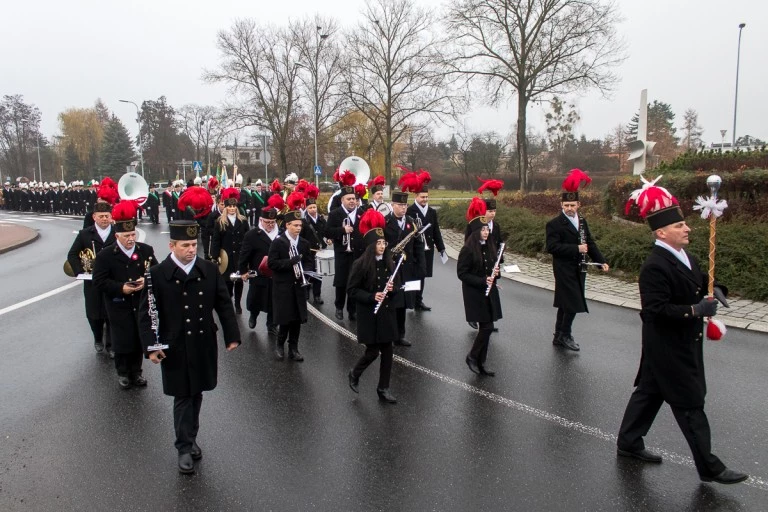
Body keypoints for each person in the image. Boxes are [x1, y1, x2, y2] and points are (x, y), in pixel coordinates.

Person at [616, 180, 747, 485]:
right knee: (690, 404)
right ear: (661, 232)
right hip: (668, 346)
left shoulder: (688, 258)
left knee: (649, 393)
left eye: (685, 223)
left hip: (681, 343)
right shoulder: (654, 267)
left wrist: (716, 289)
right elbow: (654, 311)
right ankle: (710, 467)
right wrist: (695, 310)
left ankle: (628, 442)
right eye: (679, 225)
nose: (687, 228)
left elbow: (700, 283)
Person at [139, 220, 240, 475]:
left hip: (203, 341)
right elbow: (147, 314)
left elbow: (224, 304)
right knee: (183, 396)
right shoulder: (157, 274)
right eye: (185, 245)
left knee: (197, 393)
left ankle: (191, 438)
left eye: (194, 244)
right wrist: (151, 346)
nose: (191, 249)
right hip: (175, 345)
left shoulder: (208, 269)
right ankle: (184, 447)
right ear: (172, 245)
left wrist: (232, 335)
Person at [92, 202, 157, 389]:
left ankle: (137, 372)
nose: (130, 239)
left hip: (140, 301)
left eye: (132, 235)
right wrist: (121, 288)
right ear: (117, 236)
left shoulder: (145, 250)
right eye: (126, 236)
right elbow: (99, 281)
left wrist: (147, 280)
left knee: (138, 337)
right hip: (118, 303)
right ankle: (123, 372)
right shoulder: (106, 255)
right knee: (122, 339)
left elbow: (156, 270)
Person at [545, 169, 609, 351]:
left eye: (572, 205)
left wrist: (600, 261)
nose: (569, 209)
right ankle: (566, 334)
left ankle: (558, 335)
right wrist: (576, 248)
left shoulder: (582, 221)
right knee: (572, 302)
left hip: (579, 268)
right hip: (564, 268)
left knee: (566, 303)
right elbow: (552, 247)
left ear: (578, 204)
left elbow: (590, 243)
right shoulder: (554, 224)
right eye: (566, 205)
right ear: (561, 205)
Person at [347, 209, 399, 403]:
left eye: (384, 242)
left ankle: (383, 388)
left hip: (386, 314)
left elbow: (397, 288)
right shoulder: (360, 264)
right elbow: (352, 291)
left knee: (387, 351)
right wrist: (371, 296)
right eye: (378, 243)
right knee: (372, 351)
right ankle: (354, 373)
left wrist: (393, 289)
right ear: (370, 245)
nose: (382, 246)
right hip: (369, 314)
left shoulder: (390, 262)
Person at [458, 198, 502, 376]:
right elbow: (462, 273)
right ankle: (472, 356)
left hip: (489, 291)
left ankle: (481, 363)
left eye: (486, 229)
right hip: (475, 293)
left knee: (488, 326)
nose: (486, 232)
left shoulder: (490, 246)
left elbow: (491, 268)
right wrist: (483, 280)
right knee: (486, 327)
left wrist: (496, 272)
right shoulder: (468, 250)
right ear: (475, 232)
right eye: (482, 230)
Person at [67, 202, 116, 356]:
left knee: (111, 313)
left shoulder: (116, 232)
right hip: (92, 281)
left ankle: (111, 344)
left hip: (112, 280)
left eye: (107, 216)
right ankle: (97, 338)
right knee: (94, 314)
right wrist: (80, 271)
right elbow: (72, 254)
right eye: (100, 216)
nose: (104, 219)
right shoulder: (85, 234)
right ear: (94, 217)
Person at [267, 201, 313, 361]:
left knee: (297, 319)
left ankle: (294, 348)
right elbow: (272, 264)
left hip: (299, 285)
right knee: (285, 318)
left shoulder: (304, 243)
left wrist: (305, 272)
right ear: (287, 225)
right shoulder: (278, 242)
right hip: (283, 286)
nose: (298, 228)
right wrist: (290, 262)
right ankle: (280, 345)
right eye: (295, 225)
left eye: (300, 225)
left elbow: (308, 261)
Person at [383, 190, 425, 347]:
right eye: (400, 205)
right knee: (392, 303)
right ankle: (390, 334)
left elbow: (419, 245)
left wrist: (421, 268)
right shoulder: (385, 222)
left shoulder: (411, 222)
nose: (403, 208)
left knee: (403, 303)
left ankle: (400, 335)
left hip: (407, 268)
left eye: (405, 205)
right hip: (391, 266)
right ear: (392, 205)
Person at [239, 206, 279, 335]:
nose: (270, 225)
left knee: (274, 299)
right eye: (267, 222)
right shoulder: (252, 235)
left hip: (276, 273)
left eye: (272, 222)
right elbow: (244, 255)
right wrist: (243, 271)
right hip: (258, 273)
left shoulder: (280, 234)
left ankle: (271, 324)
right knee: (256, 298)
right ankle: (253, 315)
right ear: (261, 220)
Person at [325, 184, 363, 321]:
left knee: (355, 282)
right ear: (342, 200)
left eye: (353, 198)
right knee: (341, 282)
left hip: (357, 253)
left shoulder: (361, 213)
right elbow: (327, 231)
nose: (352, 201)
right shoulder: (335, 214)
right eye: (349, 199)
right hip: (342, 252)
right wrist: (342, 230)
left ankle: (352, 310)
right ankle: (339, 307)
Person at [406, 184, 445, 311]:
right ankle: (411, 300)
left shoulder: (432, 212)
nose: (425, 199)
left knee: (422, 275)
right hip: (414, 249)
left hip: (427, 249)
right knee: (413, 275)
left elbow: (436, 231)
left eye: (427, 197)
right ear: (416, 196)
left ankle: (419, 300)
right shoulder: (410, 211)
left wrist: (441, 248)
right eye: (422, 197)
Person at [211, 187, 250, 314]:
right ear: (226, 207)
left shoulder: (243, 220)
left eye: (234, 206)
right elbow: (216, 240)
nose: (232, 208)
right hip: (226, 256)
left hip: (240, 256)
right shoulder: (220, 222)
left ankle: (238, 304)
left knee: (239, 281)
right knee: (227, 282)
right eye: (230, 206)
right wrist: (214, 256)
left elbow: (248, 238)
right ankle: (228, 302)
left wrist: (249, 254)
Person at [301, 185, 327, 305]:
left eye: (314, 207)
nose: (313, 209)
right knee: (307, 271)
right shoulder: (304, 222)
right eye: (310, 207)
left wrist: (329, 239)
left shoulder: (321, 220)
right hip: (308, 251)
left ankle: (317, 295)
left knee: (318, 274)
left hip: (319, 251)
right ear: (307, 209)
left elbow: (327, 231)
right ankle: (305, 292)